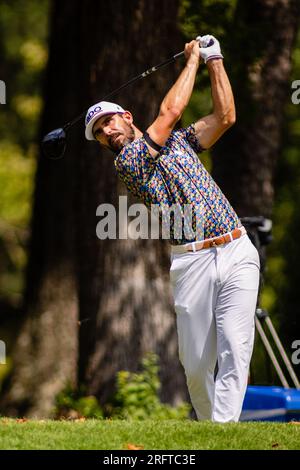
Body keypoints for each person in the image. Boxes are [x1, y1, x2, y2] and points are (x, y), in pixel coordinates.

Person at [85, 36, 260, 423]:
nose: (106, 131)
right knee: (196, 367)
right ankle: (212, 426)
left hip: (236, 250)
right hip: (192, 261)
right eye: (99, 132)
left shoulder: (180, 143)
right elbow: (171, 111)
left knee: (236, 346)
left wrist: (215, 59)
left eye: (108, 120)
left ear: (126, 116)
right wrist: (192, 60)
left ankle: (223, 434)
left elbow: (225, 117)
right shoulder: (128, 162)